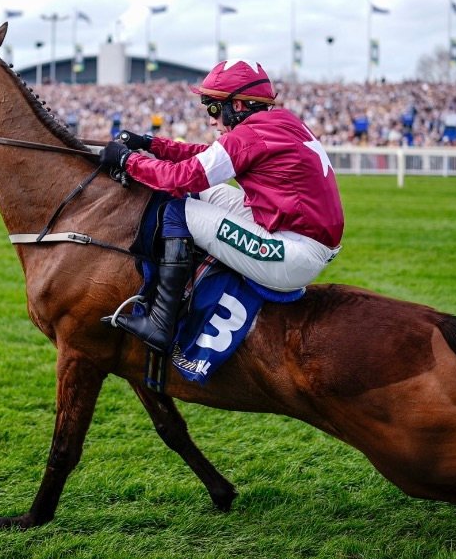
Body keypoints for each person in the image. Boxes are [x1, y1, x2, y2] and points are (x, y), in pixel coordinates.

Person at [98, 60, 344, 354]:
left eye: (213, 108)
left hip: (293, 255)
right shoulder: (280, 120)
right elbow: (209, 155)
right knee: (204, 192)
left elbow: (178, 179)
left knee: (177, 211)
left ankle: (160, 323)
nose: (212, 119)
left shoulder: (250, 135)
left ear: (237, 105)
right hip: (302, 237)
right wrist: (152, 144)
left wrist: (127, 160)